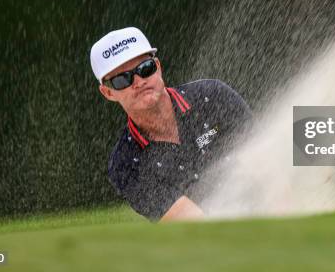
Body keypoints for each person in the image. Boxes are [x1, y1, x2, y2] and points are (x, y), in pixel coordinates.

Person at [90, 27, 252, 222]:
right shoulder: (125, 164)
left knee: (299, 113)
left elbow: (268, 149)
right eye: (122, 79)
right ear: (108, 93)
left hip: (272, 200)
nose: (139, 81)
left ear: (157, 66)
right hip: (225, 237)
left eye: (145, 69)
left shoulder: (213, 95)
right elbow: (192, 224)